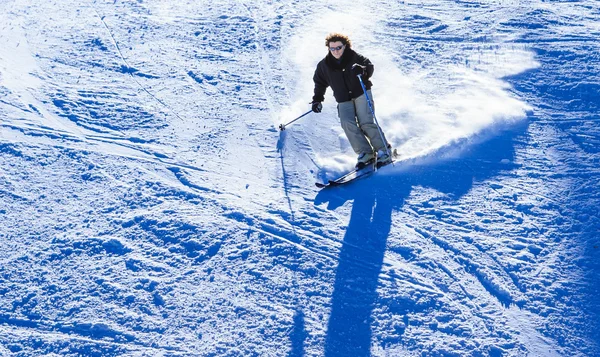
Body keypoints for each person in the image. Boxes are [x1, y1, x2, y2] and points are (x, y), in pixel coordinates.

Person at [311, 33, 391, 168]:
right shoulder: (324, 65)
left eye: (339, 47)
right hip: (343, 98)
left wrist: (363, 70)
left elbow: (369, 66)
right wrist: (317, 100)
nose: (336, 51)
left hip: (361, 92)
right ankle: (366, 153)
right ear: (328, 49)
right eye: (332, 48)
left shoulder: (354, 57)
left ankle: (384, 150)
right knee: (347, 123)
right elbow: (319, 83)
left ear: (345, 46)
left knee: (365, 122)